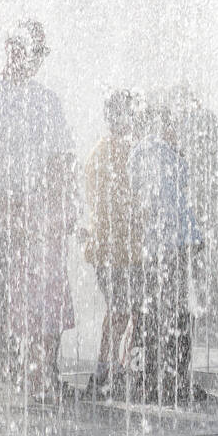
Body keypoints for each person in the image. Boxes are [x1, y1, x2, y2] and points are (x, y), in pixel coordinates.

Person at [0, 20, 77, 408]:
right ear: (10, 49)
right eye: (25, 49)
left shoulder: (47, 101)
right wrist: (7, 201)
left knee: (37, 300)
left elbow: (62, 160)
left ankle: (41, 374)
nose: (30, 59)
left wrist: (45, 205)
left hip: (33, 222)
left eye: (37, 53)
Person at [127, 98, 206, 405]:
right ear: (163, 125)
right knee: (175, 311)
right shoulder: (164, 152)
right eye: (173, 125)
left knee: (153, 310)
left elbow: (137, 192)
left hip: (157, 243)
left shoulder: (139, 153)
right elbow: (179, 192)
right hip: (173, 244)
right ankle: (174, 379)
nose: (176, 131)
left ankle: (146, 379)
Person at [80, 90, 141, 400]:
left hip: (120, 247)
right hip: (116, 247)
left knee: (126, 311)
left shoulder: (104, 152)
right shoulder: (115, 152)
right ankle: (106, 372)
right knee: (121, 311)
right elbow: (118, 203)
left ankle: (116, 370)